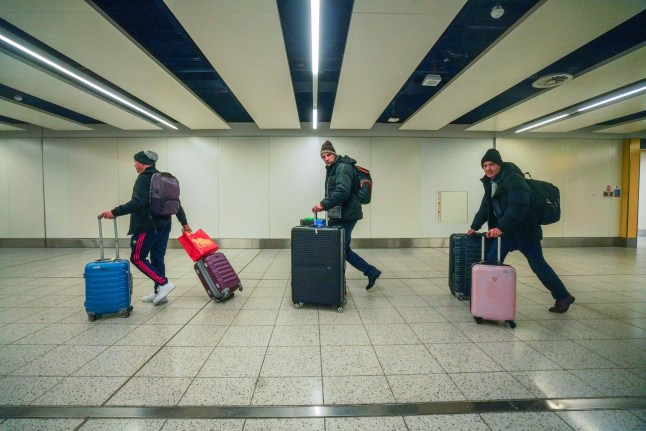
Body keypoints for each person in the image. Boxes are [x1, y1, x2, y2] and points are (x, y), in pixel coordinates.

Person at [467, 148, 575, 313]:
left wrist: (500, 227)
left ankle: (562, 296)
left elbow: (519, 206)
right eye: (485, 165)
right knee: (492, 263)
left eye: (492, 164)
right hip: (508, 232)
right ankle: (486, 300)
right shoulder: (491, 182)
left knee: (537, 265)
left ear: (500, 165)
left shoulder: (514, 180)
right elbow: (485, 207)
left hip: (525, 231)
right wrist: (474, 226)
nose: (488, 168)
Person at [100, 150, 191, 305]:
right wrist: (184, 223)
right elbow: (176, 202)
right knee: (157, 258)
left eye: (135, 161)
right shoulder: (163, 178)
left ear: (142, 163)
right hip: (164, 225)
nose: (134, 164)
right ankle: (160, 293)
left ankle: (163, 283)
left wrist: (114, 212)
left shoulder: (144, 179)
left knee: (137, 257)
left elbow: (137, 202)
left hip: (147, 226)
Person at [312, 140, 382, 290]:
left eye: (328, 155)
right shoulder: (334, 168)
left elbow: (342, 191)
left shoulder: (343, 167)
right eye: (323, 156)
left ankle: (338, 281)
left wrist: (323, 204)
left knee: (338, 248)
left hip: (347, 215)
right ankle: (369, 272)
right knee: (342, 248)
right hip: (340, 214)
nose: (326, 158)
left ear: (334, 154)